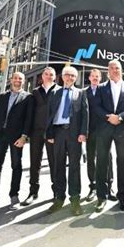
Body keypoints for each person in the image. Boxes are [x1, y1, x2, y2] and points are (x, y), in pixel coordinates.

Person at [0, 72, 33, 212]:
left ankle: (14, 196)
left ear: (24, 81)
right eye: (15, 78)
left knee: (16, 166)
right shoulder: (2, 96)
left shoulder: (28, 97)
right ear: (11, 80)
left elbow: (28, 118)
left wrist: (24, 136)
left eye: (20, 79)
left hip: (16, 137)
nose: (17, 80)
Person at [94, 60, 124, 212]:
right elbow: (96, 106)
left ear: (121, 70)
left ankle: (122, 197)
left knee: (123, 163)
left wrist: (120, 117)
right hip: (104, 128)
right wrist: (108, 117)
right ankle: (101, 197)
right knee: (102, 162)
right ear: (108, 71)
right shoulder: (100, 88)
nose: (114, 70)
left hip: (122, 129)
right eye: (111, 68)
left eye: (117, 68)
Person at [45, 66, 88, 215]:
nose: (70, 78)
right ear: (62, 77)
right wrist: (49, 134)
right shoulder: (54, 93)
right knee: (58, 166)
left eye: (72, 76)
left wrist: (83, 133)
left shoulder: (81, 93)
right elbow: (49, 114)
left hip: (74, 134)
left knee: (74, 167)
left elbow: (85, 114)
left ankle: (75, 200)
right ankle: (59, 197)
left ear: (76, 78)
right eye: (67, 75)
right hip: (57, 133)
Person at [21, 67, 57, 206]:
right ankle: (33, 192)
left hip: (52, 132)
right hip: (36, 132)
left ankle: (56, 191)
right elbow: (30, 114)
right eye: (46, 74)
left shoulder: (59, 90)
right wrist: (26, 133)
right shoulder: (35, 92)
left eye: (51, 74)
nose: (48, 76)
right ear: (42, 76)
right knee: (34, 162)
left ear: (55, 77)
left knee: (54, 162)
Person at [84, 69, 115, 202]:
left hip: (104, 129)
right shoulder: (84, 92)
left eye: (98, 76)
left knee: (107, 158)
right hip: (89, 130)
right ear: (89, 78)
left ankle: (109, 187)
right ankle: (93, 187)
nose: (95, 78)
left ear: (100, 78)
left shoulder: (106, 91)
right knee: (91, 158)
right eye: (93, 76)